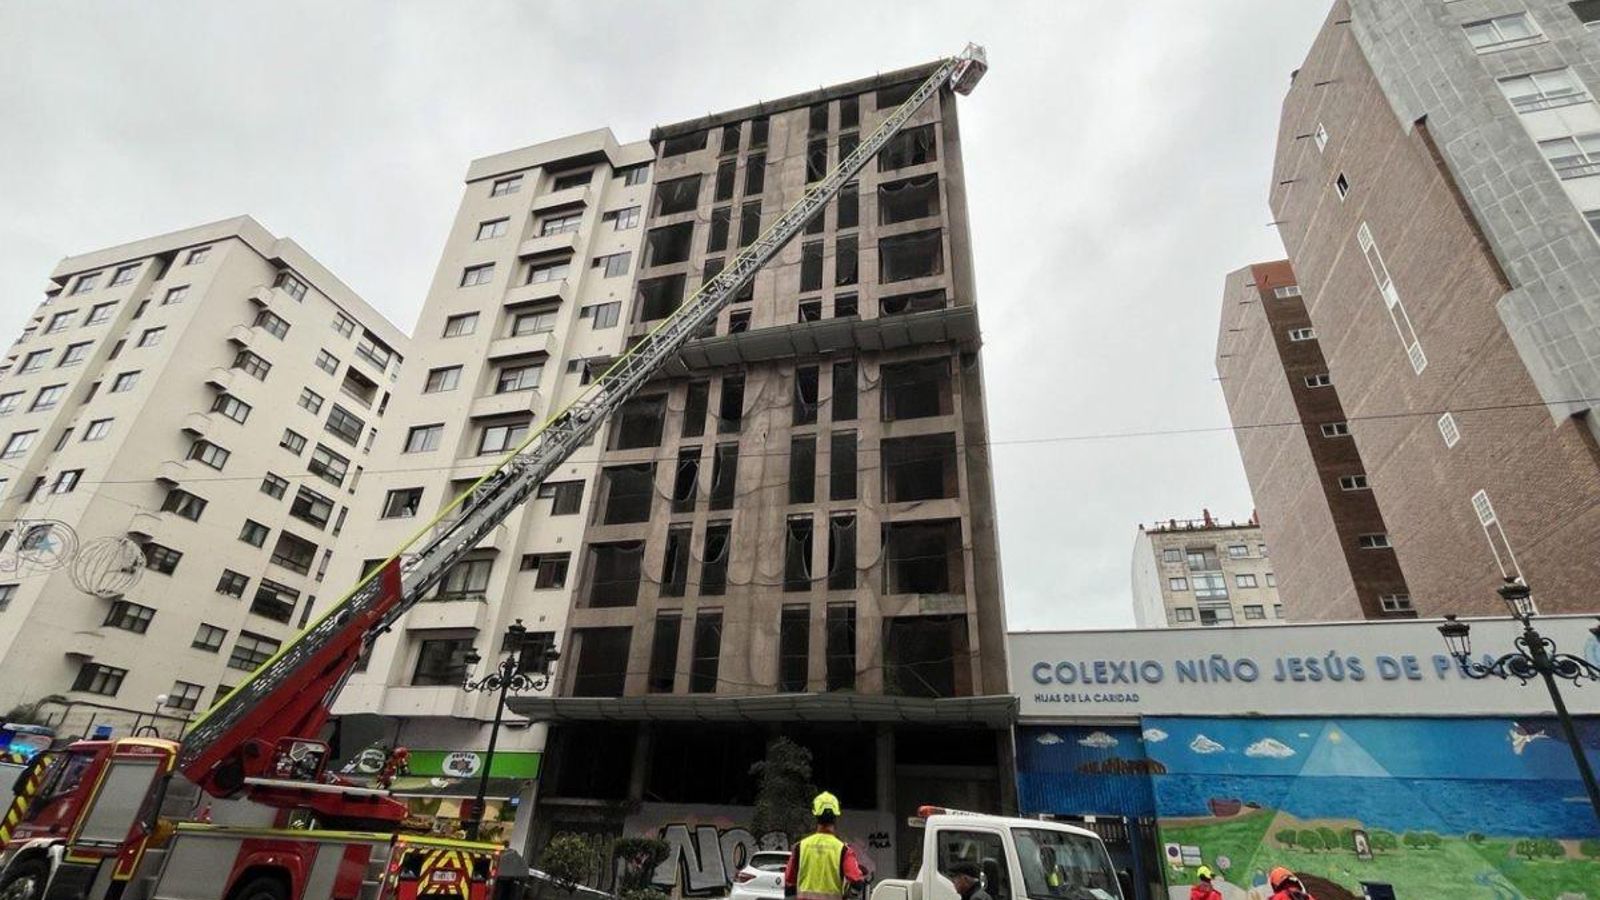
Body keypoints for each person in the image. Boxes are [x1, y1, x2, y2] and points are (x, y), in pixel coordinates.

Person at [784, 792, 867, 900]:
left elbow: (789, 883)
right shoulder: (843, 850)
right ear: (835, 816)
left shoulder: (800, 847)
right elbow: (857, 882)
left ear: (816, 814)